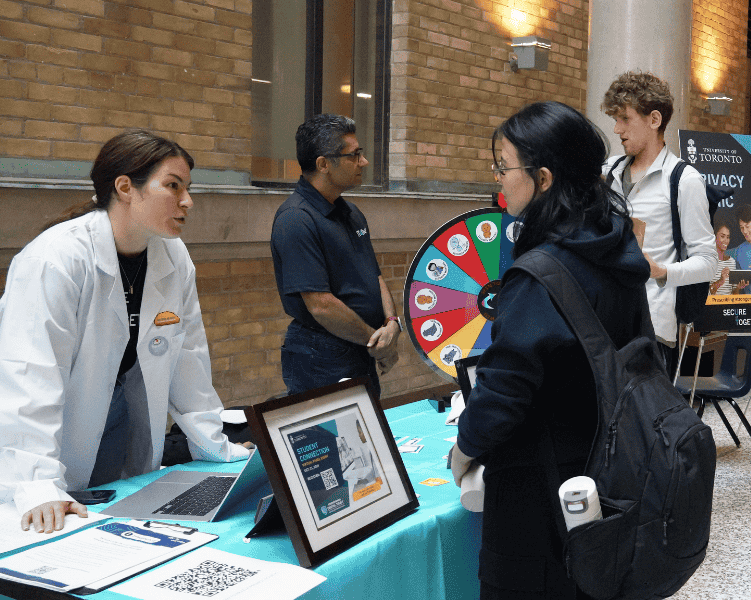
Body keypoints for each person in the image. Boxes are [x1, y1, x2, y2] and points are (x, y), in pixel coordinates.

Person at [0, 130, 250, 530]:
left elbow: (188, 358)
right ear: (125, 188)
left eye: (188, 188)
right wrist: (36, 483)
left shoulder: (172, 255)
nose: (187, 201)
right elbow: (28, 372)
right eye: (173, 186)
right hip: (18, 439)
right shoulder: (56, 258)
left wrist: (214, 446)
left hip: (110, 414)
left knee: (105, 522)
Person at [449, 101, 651, 600]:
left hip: (538, 488)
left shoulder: (539, 271)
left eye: (504, 166)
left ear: (542, 178)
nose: (498, 177)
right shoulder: (617, 248)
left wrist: (464, 448)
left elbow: (505, 390)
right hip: (608, 470)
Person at [270, 114, 402, 402]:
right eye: (355, 155)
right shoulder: (296, 219)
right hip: (321, 356)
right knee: (332, 444)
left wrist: (392, 324)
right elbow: (321, 305)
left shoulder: (351, 212)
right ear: (323, 164)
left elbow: (374, 275)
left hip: (359, 348)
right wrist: (376, 341)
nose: (363, 163)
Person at [602, 71, 717, 367]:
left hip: (651, 330)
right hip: (602, 325)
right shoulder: (607, 173)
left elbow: (708, 262)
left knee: (644, 415)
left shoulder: (684, 180)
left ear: (654, 120)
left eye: (625, 119)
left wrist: (661, 270)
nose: (616, 129)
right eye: (615, 119)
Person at [709, 219, 748, 295]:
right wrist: (721, 281)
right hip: (712, 306)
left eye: (728, 237)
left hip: (728, 306)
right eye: (722, 236)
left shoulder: (731, 261)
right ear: (714, 237)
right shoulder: (709, 261)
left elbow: (734, 294)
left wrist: (738, 287)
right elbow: (707, 293)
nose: (726, 240)